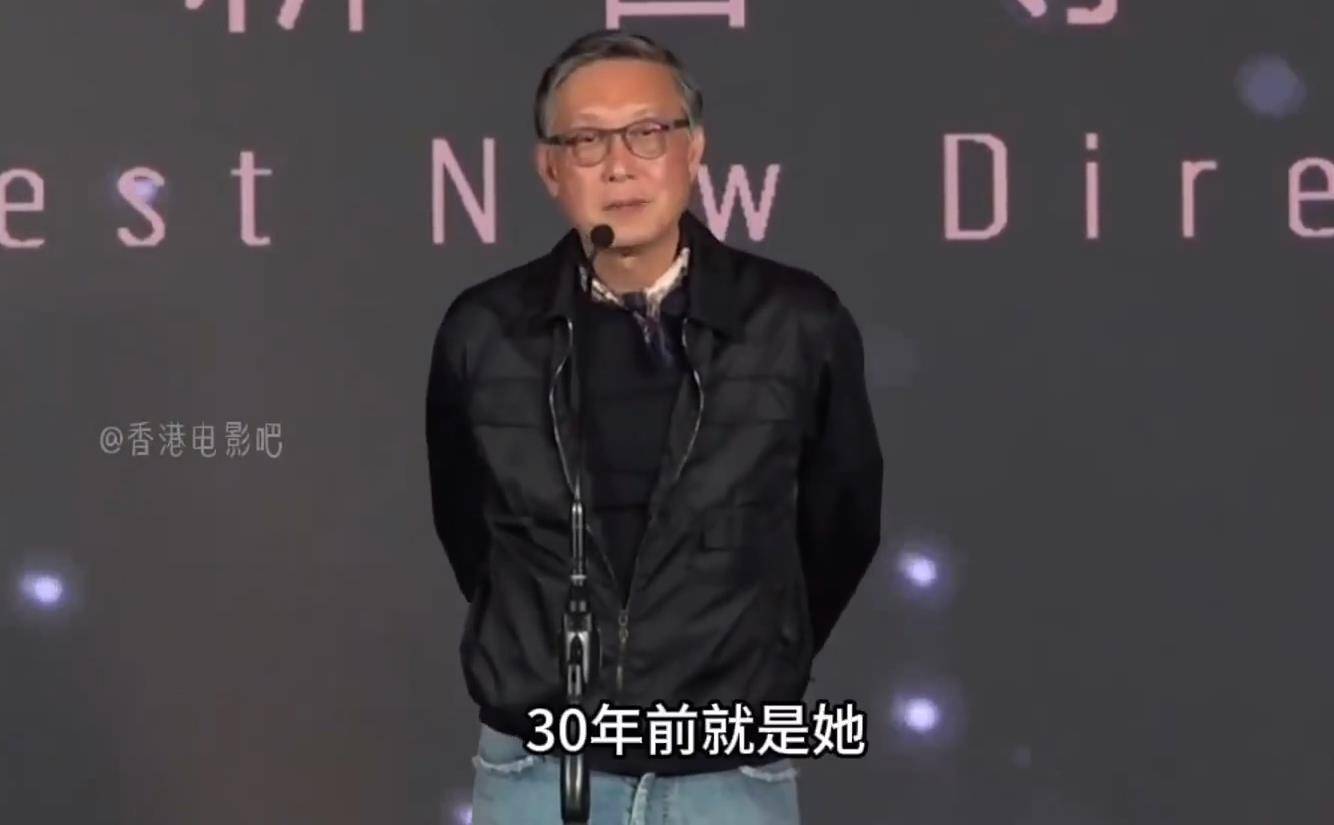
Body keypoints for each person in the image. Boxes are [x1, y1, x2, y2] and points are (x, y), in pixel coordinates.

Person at [426, 28, 883, 825]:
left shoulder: (795, 322)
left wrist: (755, 649)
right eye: (587, 140)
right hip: (542, 768)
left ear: (693, 149)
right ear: (550, 169)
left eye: (647, 132)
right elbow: (471, 531)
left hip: (728, 770)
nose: (619, 164)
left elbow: (840, 527)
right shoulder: (487, 330)